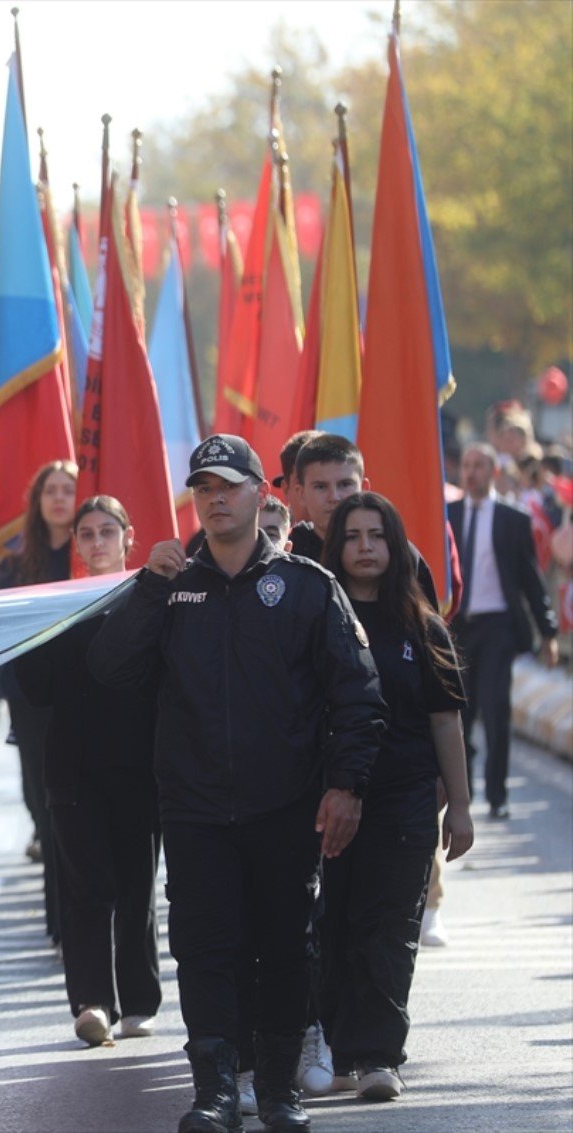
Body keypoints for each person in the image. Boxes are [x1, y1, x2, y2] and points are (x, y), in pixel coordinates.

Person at [91, 434, 385, 1133]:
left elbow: (358, 694)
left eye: (228, 484)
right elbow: (109, 671)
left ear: (262, 493)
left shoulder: (309, 588)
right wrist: (150, 587)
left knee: (285, 947)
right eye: (203, 488)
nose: (216, 498)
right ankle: (216, 1091)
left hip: (286, 809)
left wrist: (347, 785)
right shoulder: (170, 587)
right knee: (205, 948)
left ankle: (280, 1089)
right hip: (194, 811)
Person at [319, 492, 475, 1102]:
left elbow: (445, 722)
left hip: (406, 802)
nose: (364, 547)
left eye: (377, 536)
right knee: (332, 927)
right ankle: (332, 1050)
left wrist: (458, 809)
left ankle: (379, 1056)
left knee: (388, 931)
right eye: (353, 536)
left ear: (396, 545)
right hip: (328, 803)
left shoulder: (421, 624)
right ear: (338, 547)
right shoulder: (316, 618)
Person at [17, 496, 161, 1048]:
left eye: (107, 531)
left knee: (136, 886)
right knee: (85, 889)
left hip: (138, 768)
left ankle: (139, 1000)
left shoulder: (150, 599)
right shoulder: (60, 604)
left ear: (128, 536)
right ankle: (92, 1001)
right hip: (72, 769)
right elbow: (36, 691)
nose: (97, 542)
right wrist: (34, 630)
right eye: (87, 534)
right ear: (75, 544)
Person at [448, 442, 559, 819]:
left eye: (479, 465)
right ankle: (458, 793)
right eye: (466, 465)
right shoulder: (448, 515)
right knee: (459, 714)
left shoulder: (513, 519)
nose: (471, 472)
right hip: (459, 627)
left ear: (493, 471)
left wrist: (549, 632)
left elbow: (532, 580)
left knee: (496, 712)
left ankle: (497, 795)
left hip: (498, 626)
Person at [0, 460, 78, 942]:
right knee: (41, 802)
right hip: (31, 702)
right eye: (51, 489)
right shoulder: (16, 564)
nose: (60, 498)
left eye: (69, 489)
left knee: (74, 807)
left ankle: (80, 915)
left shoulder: (93, 555)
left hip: (83, 697)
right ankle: (58, 918)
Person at [287, 433, 443, 605]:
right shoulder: (289, 554)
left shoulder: (397, 551)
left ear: (364, 488)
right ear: (301, 494)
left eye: (345, 484)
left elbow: (426, 624)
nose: (334, 497)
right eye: (321, 487)